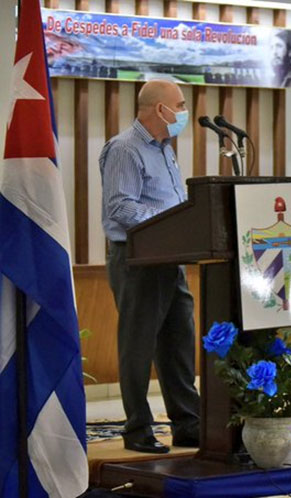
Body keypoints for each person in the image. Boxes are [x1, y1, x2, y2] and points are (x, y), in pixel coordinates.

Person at [99, 80, 200, 454]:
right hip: (137, 260)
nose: (184, 112)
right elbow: (121, 208)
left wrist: (182, 224)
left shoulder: (165, 150)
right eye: (180, 104)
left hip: (170, 258)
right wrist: (171, 222)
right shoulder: (125, 149)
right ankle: (137, 429)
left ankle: (188, 424)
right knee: (137, 346)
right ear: (161, 110)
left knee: (178, 343)